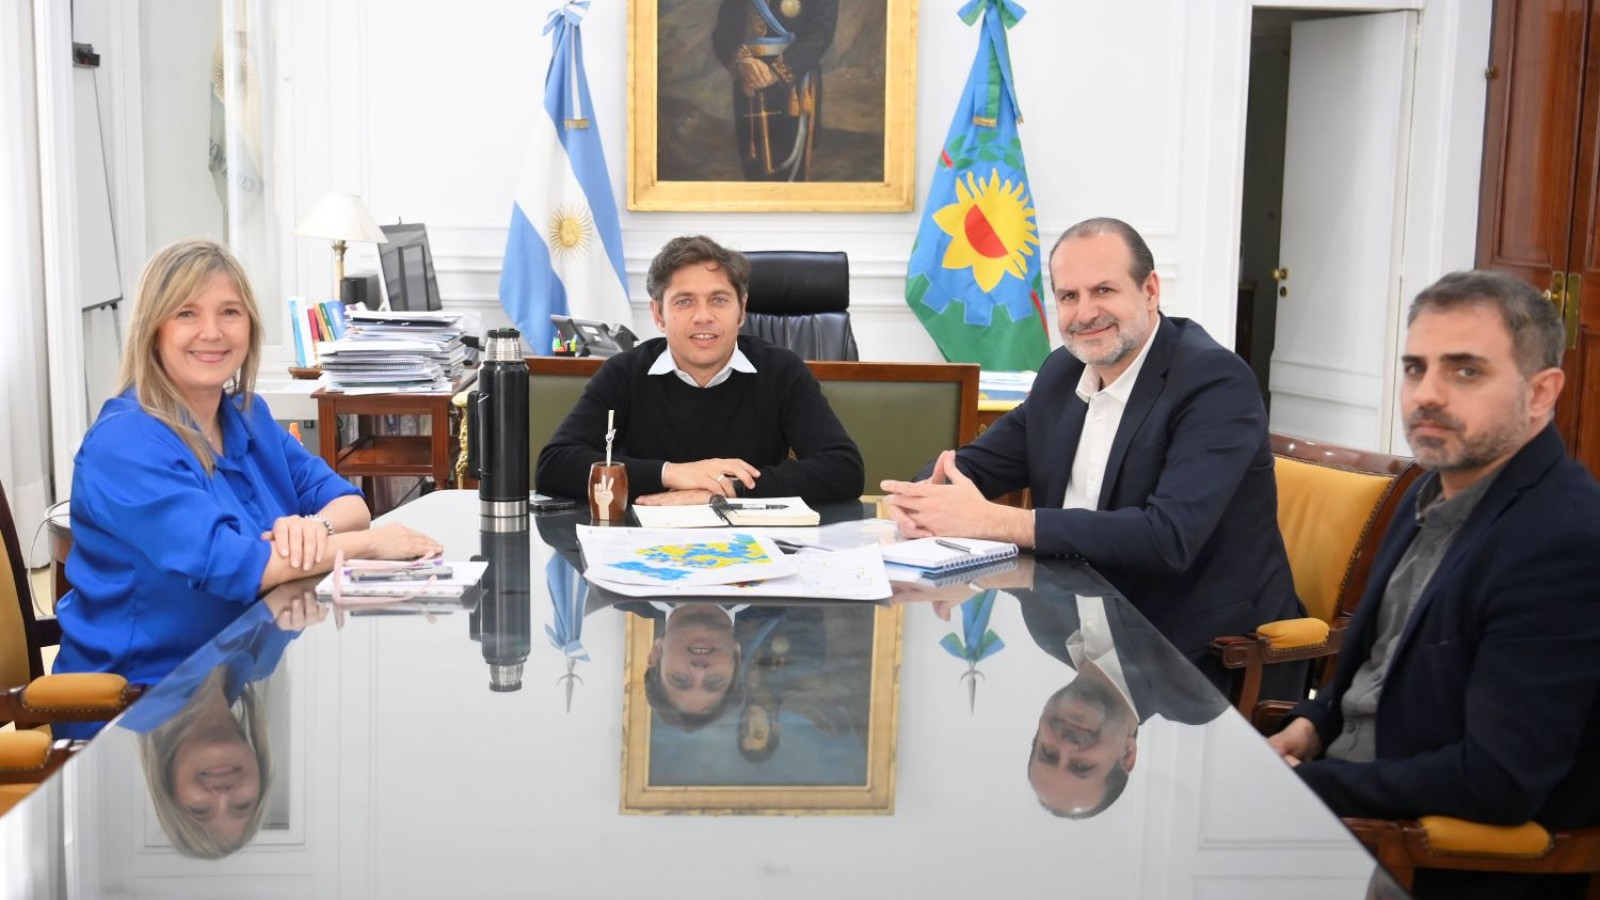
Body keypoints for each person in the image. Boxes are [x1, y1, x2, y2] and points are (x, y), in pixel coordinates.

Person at [1267, 271, 1600, 900]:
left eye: (1465, 371)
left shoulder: (1563, 542)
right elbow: (1377, 666)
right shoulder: (1432, 488)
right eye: (1415, 368)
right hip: (1350, 807)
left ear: (1541, 392)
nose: (1427, 395)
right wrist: (1310, 725)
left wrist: (1303, 789)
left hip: (1429, 861)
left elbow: (1498, 781)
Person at [881, 217, 1301, 689]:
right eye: (1068, 297)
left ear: (1150, 290)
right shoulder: (1064, 371)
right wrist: (925, 501)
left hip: (1199, 659)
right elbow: (972, 465)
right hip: (1079, 626)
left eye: (1103, 290)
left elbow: (1167, 538)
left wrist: (997, 522)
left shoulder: (1215, 384)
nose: (1085, 314)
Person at [54, 240, 441, 690]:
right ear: (152, 330)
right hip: (141, 701)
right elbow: (234, 565)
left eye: (229, 312)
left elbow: (350, 503)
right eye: (186, 313)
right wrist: (369, 546)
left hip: (236, 675)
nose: (212, 332)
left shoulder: (246, 415)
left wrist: (314, 528)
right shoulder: (125, 443)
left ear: (250, 327)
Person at [536, 234, 864, 506]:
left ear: (741, 310)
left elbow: (843, 470)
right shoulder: (625, 372)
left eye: (719, 300)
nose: (703, 316)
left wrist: (723, 491)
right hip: (644, 549)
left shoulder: (781, 370)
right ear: (658, 314)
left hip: (754, 547)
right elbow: (555, 467)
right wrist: (673, 473)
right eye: (684, 301)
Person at [122, 579, 326, 857]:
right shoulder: (262, 662)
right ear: (261, 777)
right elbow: (306, 570)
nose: (222, 794)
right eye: (242, 805)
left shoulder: (134, 705)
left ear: (168, 785)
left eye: (200, 810)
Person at [1021, 589, 1229, 818]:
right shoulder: (1192, 695)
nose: (1067, 745)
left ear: (1038, 732)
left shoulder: (1047, 627)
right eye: (1082, 766)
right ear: (1127, 755)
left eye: (1049, 753)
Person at [711, 0, 838, 182]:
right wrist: (741, 63)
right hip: (748, 82)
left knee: (790, 175)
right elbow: (723, 32)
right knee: (754, 171)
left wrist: (777, 72)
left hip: (794, 84)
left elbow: (820, 34)